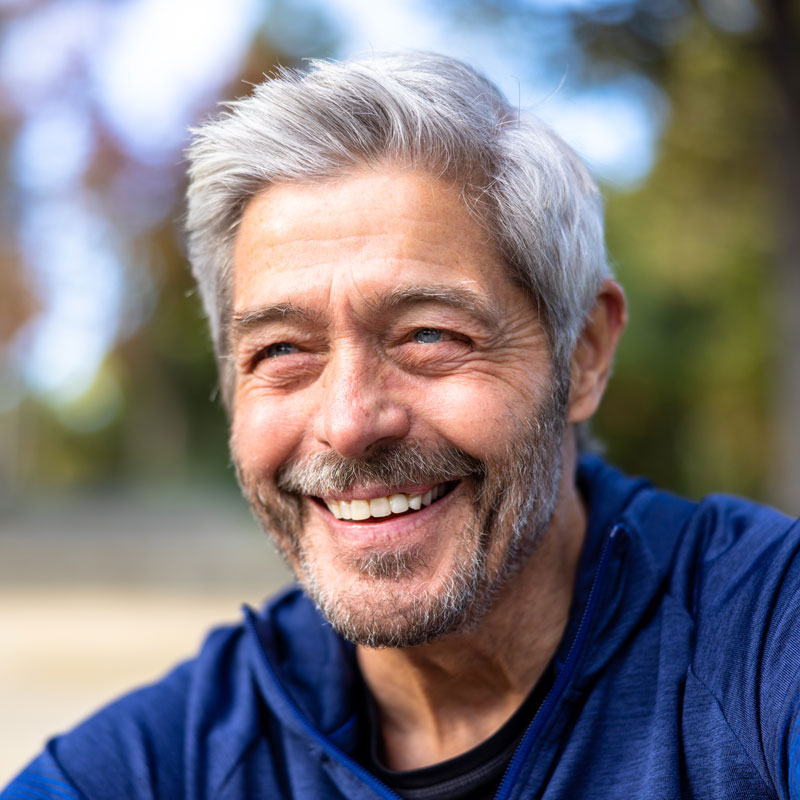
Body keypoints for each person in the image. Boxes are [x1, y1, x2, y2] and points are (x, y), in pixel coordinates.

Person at [3, 51, 799, 800]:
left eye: (429, 336)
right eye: (281, 350)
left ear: (583, 352)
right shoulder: (159, 767)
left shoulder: (760, 632)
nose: (350, 422)